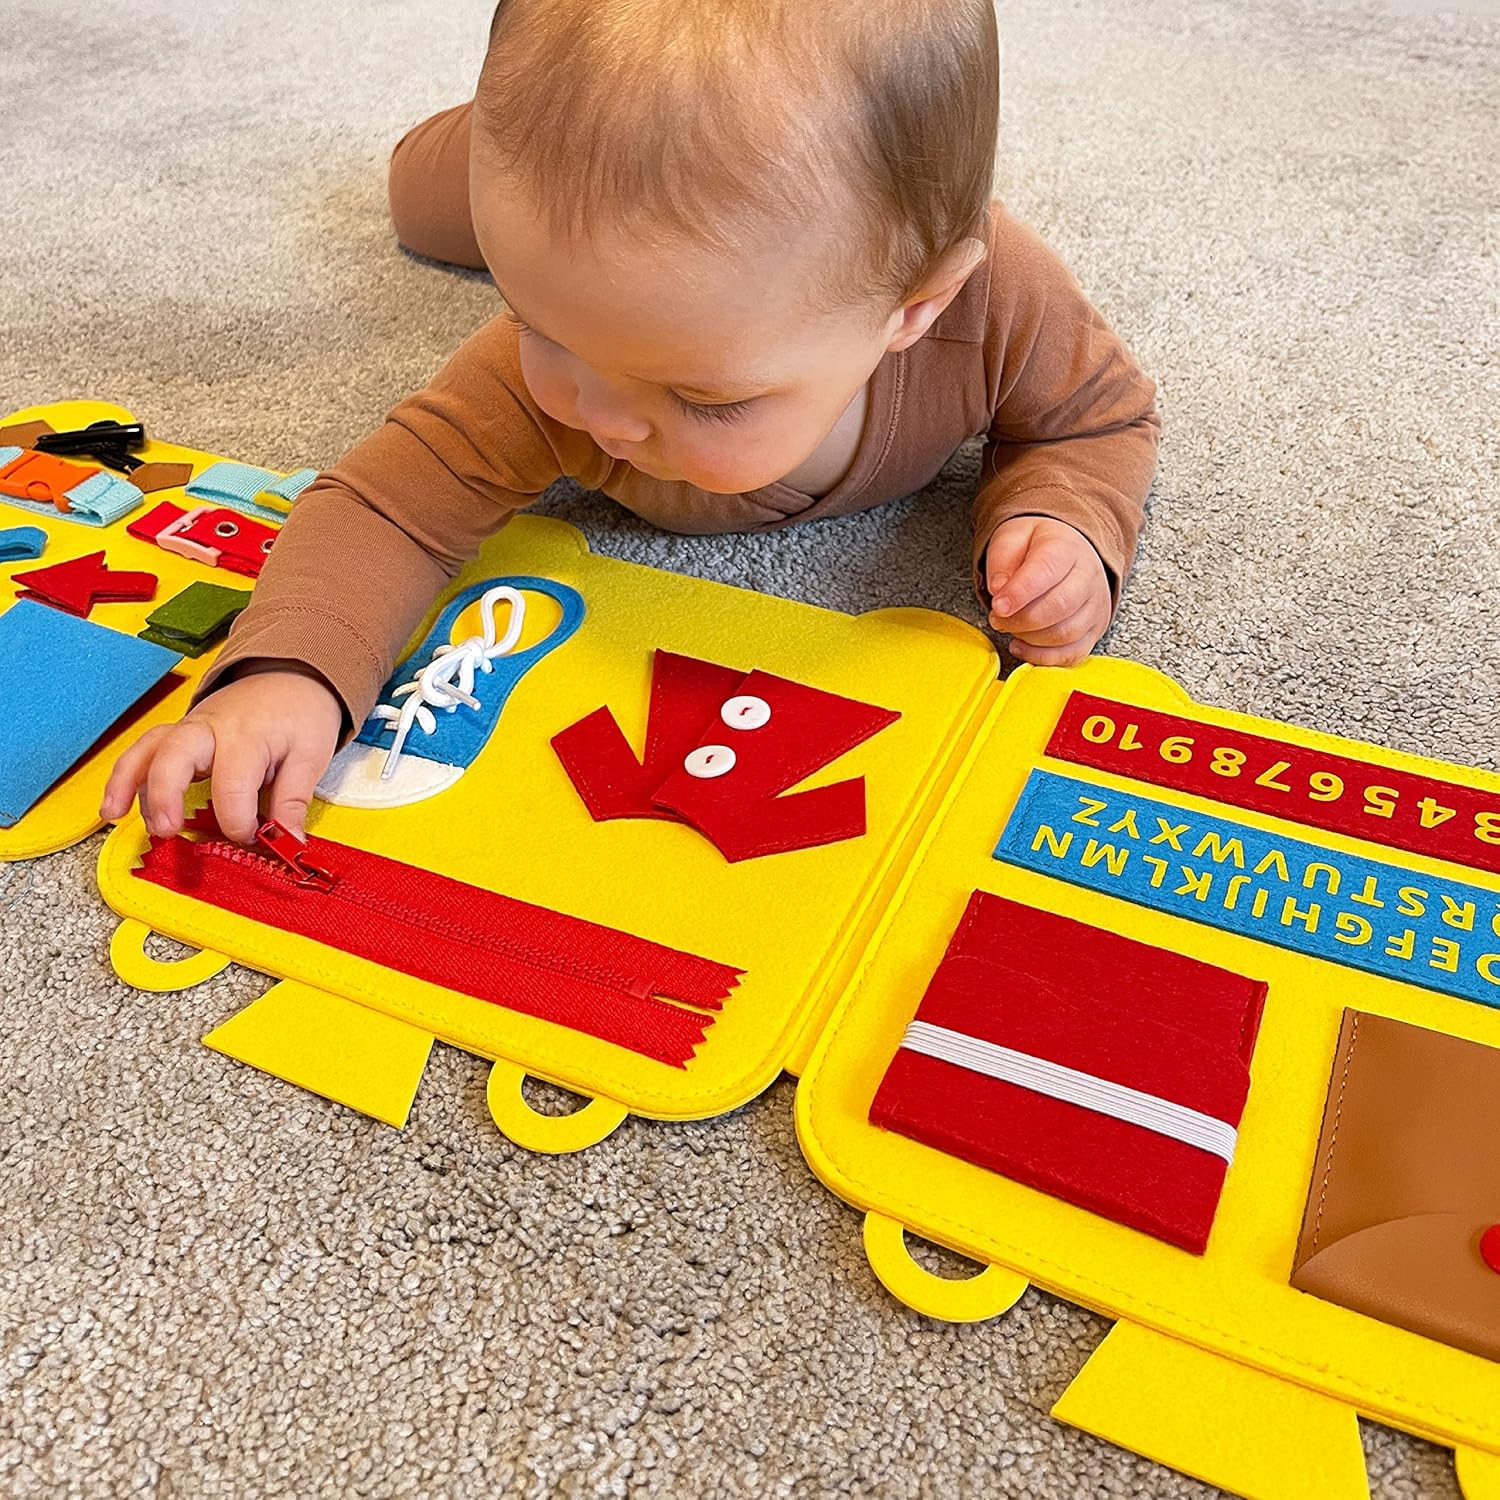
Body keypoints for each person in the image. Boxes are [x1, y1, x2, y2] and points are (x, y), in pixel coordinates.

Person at [103, 0, 1159, 846]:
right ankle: (479, 168)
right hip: (547, 164)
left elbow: (1097, 420)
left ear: (912, 309)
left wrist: (1064, 520)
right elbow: (387, 505)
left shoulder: (1001, 303)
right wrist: (291, 669)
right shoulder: (551, 372)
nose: (597, 415)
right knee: (433, 195)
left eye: (700, 396)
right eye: (535, 324)